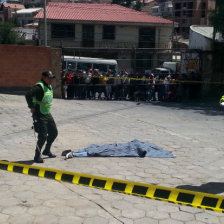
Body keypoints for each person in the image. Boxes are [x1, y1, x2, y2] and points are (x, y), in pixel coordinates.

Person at [25, 71, 58, 163]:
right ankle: (37, 156)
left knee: (54, 132)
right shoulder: (39, 87)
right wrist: (31, 106)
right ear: (43, 77)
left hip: (47, 113)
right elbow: (28, 95)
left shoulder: (48, 86)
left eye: (52, 77)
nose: (51, 79)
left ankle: (46, 150)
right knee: (42, 136)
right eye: (49, 77)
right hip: (39, 113)